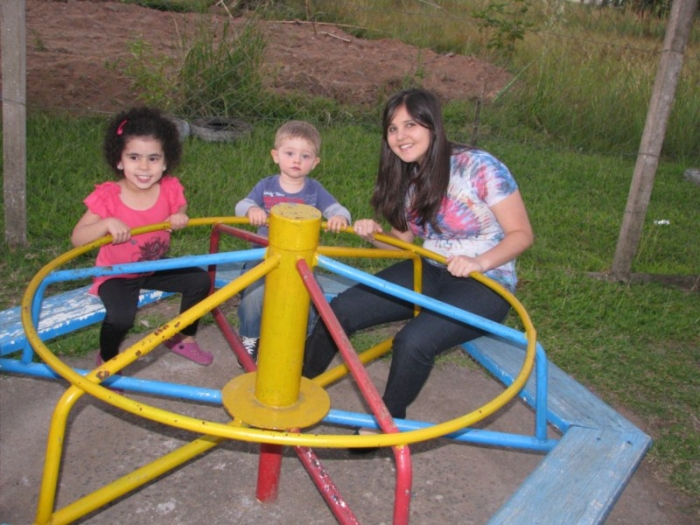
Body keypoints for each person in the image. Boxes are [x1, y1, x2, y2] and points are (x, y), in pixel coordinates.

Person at [302, 88, 533, 433]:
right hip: (430, 269)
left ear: (432, 124)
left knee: (413, 342)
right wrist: (373, 235)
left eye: (410, 125)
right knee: (340, 310)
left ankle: (388, 422)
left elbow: (522, 234)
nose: (400, 136)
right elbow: (401, 247)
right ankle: (297, 385)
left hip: (486, 283)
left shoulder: (478, 166)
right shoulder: (409, 174)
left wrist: (479, 262)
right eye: (393, 129)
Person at [71, 106, 213, 368]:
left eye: (153, 158)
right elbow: (77, 238)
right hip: (117, 273)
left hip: (153, 266)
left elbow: (180, 206)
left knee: (200, 281)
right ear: (119, 160)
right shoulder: (109, 197)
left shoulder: (169, 188)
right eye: (134, 157)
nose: (144, 167)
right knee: (122, 318)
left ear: (166, 162)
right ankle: (107, 360)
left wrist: (179, 215)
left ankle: (183, 338)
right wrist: (105, 224)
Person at [234, 120, 351, 364]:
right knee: (253, 293)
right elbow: (241, 205)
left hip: (301, 259)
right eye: (289, 153)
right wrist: (252, 209)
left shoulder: (314, 190)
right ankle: (250, 337)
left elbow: (337, 209)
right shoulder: (266, 186)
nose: (297, 160)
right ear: (275, 156)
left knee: (312, 297)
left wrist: (340, 217)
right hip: (264, 255)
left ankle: (303, 340)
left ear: (315, 162)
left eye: (305, 156)